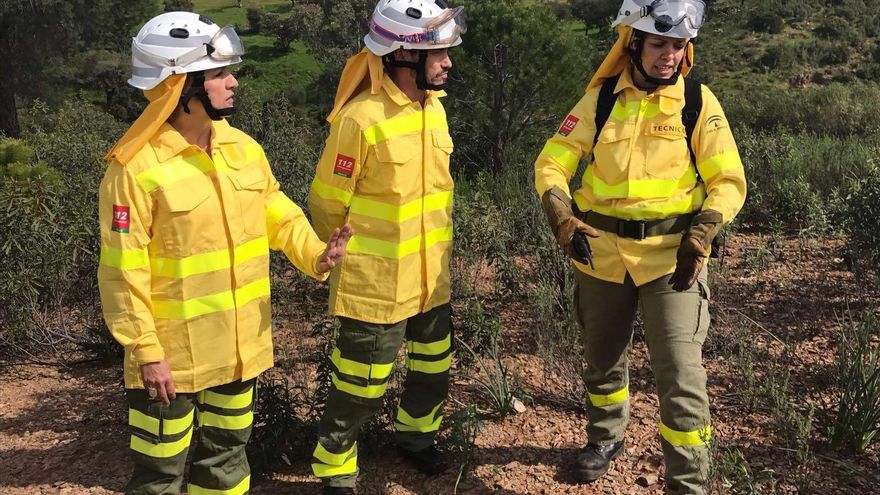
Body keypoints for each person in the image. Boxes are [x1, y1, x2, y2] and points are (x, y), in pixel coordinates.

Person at [97, 11, 352, 495]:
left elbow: (277, 212)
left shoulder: (243, 149)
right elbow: (121, 272)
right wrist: (147, 352)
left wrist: (316, 255)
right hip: (170, 360)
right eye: (218, 74)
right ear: (180, 83)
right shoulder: (134, 171)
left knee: (226, 462)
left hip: (237, 351)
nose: (233, 83)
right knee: (160, 476)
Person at [533, 1, 747, 493]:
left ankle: (687, 483)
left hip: (675, 261)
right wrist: (561, 214)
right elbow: (553, 161)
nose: (668, 56)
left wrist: (705, 229)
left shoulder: (697, 102)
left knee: (681, 378)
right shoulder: (602, 100)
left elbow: (729, 180)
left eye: (677, 46)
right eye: (658, 44)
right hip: (601, 253)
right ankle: (605, 439)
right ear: (634, 44)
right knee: (602, 358)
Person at [305, 1, 465, 493]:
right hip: (375, 285)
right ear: (404, 55)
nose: (448, 63)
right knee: (360, 384)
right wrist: (344, 261)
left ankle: (416, 440)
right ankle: (334, 465)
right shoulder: (359, 120)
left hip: (431, 280)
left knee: (432, 369)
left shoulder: (433, 110)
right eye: (439, 53)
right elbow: (328, 204)